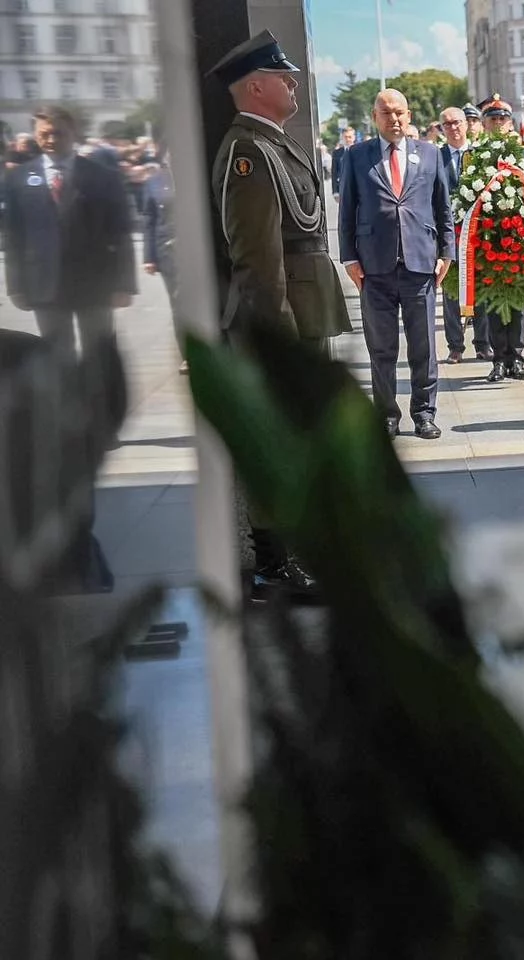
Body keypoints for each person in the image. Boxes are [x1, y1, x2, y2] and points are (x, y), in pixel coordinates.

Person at [207, 31, 352, 600]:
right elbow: (259, 262)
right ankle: (274, 562)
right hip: (286, 324)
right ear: (257, 86)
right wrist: (280, 345)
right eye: (283, 76)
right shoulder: (248, 152)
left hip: (307, 316)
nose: (293, 83)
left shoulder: (274, 142)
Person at [338, 88, 452, 439]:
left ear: (410, 115)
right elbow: (347, 212)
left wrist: (446, 252)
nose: (395, 119)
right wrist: (349, 257)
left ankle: (424, 413)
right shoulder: (357, 156)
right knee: (381, 347)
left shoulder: (431, 154)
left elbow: (443, 207)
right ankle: (387, 414)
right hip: (375, 267)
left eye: (400, 112)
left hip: (420, 264)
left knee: (424, 346)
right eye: (386, 113)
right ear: (375, 117)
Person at [2, 104, 135, 361]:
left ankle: (98, 399)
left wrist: (124, 284)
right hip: (44, 284)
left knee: (98, 352)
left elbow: (120, 231)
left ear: (73, 132)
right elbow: (14, 237)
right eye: (44, 134)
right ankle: (67, 400)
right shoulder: (18, 178)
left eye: (59, 133)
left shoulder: (102, 176)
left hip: (94, 282)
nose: (52, 140)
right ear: (35, 133)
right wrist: (16, 286)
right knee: (56, 353)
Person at [475, 95, 524, 382]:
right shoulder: (474, 155)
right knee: (494, 302)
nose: (498, 123)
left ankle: (517, 358)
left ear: (510, 122)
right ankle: (498, 359)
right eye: (493, 118)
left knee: (518, 302)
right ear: (484, 123)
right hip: (488, 238)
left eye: (503, 118)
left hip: (519, 238)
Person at [437, 105, 490, 365]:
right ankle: (455, 346)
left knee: (480, 291)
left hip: (478, 237)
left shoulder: (480, 155)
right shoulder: (436, 157)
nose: (453, 128)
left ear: (468, 124)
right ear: (442, 129)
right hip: (448, 236)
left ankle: (482, 343)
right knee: (450, 293)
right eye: (447, 124)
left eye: (457, 122)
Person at [140, 146, 188, 372]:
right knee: (179, 303)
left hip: (195, 247)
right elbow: (149, 220)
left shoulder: (197, 174)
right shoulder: (155, 181)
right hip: (168, 249)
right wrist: (148, 256)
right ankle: (187, 354)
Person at [331, 126, 356, 199]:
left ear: (354, 137)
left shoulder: (361, 151)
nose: (348, 139)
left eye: (350, 137)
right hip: (343, 189)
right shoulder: (336, 153)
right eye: (345, 137)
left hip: (358, 189)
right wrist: (335, 192)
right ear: (342, 138)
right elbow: (334, 173)